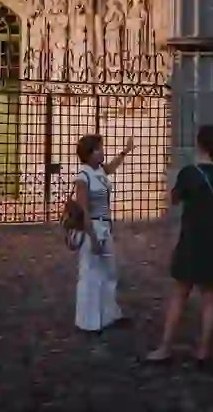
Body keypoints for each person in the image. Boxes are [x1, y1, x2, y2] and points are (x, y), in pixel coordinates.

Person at [145, 124, 213, 368]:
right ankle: (203, 351)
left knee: (180, 293)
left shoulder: (189, 173)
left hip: (193, 237)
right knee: (210, 296)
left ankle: (165, 347)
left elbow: (174, 199)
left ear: (199, 144)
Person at [74, 133, 136, 333]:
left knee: (109, 272)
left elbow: (111, 168)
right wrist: (92, 237)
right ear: (89, 153)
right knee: (91, 273)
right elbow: (83, 210)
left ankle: (109, 315)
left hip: (104, 226)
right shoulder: (83, 177)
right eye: (98, 149)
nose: (102, 152)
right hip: (93, 227)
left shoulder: (99, 171)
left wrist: (125, 152)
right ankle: (89, 322)